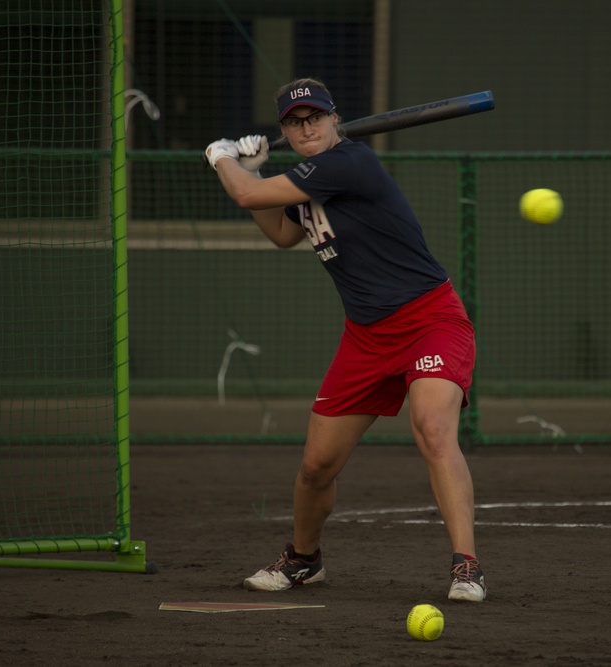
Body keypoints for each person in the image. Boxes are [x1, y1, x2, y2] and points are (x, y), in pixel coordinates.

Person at [204, 77, 485, 603]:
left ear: (335, 120)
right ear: (285, 129)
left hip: (430, 319)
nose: (306, 127)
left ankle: (467, 567)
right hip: (366, 337)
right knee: (316, 467)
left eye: (315, 118)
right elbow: (285, 233)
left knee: (432, 429)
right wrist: (256, 170)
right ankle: (304, 561)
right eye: (294, 121)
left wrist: (224, 158)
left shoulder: (347, 163)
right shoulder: (313, 176)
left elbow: (243, 196)